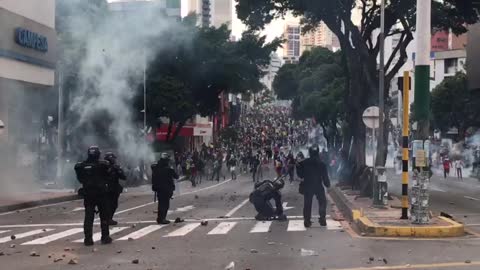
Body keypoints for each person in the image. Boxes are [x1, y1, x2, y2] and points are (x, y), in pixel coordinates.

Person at [74, 146, 112, 246]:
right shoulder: (103, 165)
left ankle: (88, 239)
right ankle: (105, 237)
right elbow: (108, 177)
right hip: (101, 194)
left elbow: (80, 179)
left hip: (88, 193)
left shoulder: (81, 166)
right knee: (104, 215)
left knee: (88, 217)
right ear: (98, 154)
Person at [297, 145, 331, 228]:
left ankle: (307, 221)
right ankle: (322, 218)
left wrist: (298, 167)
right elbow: (325, 177)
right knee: (322, 201)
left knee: (307, 203)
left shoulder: (304, 163)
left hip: (308, 186)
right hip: (318, 185)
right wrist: (327, 184)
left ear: (310, 153)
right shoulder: (322, 164)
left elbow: (300, 175)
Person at [151, 153, 178, 224]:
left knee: (161, 204)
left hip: (159, 189)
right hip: (166, 189)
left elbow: (153, 174)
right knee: (165, 205)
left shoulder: (156, 168)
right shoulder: (169, 169)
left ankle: (160, 218)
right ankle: (162, 219)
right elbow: (176, 176)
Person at [104, 152, 126, 226]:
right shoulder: (102, 167)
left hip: (112, 188)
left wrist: (118, 170)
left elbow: (123, 177)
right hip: (106, 189)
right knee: (108, 205)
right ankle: (107, 219)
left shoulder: (115, 167)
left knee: (113, 205)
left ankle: (109, 219)